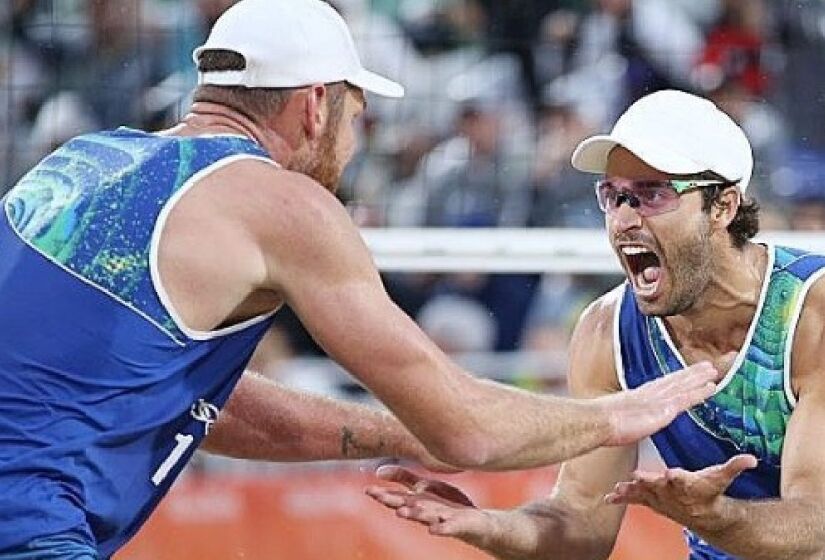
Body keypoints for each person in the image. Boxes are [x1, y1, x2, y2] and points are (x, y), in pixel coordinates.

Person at [0, 0, 719, 556]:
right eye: (358, 113)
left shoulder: (81, 160)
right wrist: (615, 417)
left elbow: (178, 392)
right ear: (316, 104)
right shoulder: (281, 203)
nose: (355, 140)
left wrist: (394, 433)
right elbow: (467, 429)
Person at [368, 89, 825, 560]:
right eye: (614, 195)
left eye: (651, 194)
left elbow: (815, 524)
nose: (623, 220)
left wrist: (716, 517)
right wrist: (486, 526)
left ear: (723, 207)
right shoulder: (606, 331)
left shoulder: (812, 310)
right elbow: (581, 525)